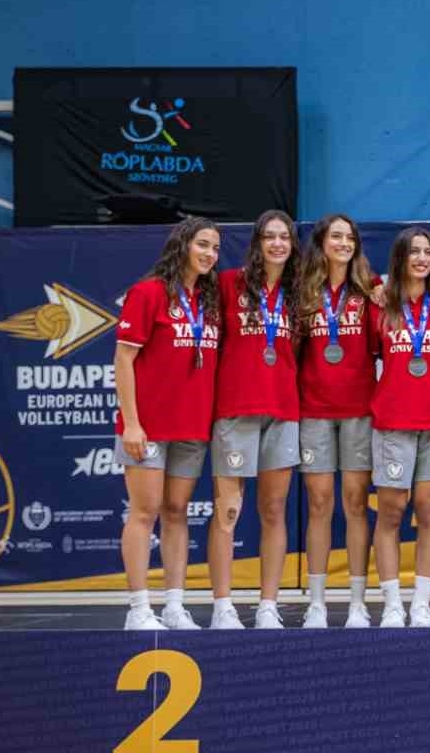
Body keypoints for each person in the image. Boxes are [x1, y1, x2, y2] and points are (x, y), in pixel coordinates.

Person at [113, 217, 222, 630]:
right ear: (182, 245)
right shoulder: (148, 293)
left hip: (192, 427)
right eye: (203, 245)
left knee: (177, 512)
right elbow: (124, 359)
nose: (210, 254)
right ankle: (138, 610)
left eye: (214, 247)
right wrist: (132, 423)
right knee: (145, 512)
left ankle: (175, 606)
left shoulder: (208, 301)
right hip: (149, 426)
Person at [207, 210, 302, 629]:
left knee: (273, 510)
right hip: (236, 409)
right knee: (228, 509)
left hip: (283, 411)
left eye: (285, 237)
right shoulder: (229, 284)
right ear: (258, 242)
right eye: (270, 236)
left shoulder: (299, 292)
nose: (278, 243)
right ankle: (223, 605)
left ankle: (268, 605)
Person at [369, 226, 430, 628]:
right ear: (400, 257)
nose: (422, 258)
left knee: (428, 511)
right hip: (393, 421)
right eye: (414, 251)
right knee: (390, 513)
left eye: (428, 251)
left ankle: (421, 603)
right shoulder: (380, 304)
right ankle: (392, 603)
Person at [297, 213, 379, 628]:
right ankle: (316, 602)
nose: (344, 243)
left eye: (350, 237)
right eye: (337, 236)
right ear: (322, 242)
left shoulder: (370, 289)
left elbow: (390, 345)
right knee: (319, 503)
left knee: (355, 504)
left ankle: (358, 602)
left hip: (360, 412)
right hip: (314, 411)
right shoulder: (304, 289)